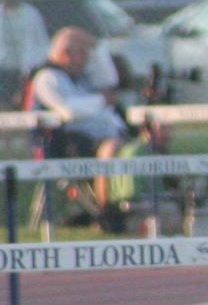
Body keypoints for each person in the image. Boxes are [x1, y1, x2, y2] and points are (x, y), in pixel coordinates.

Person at [28, 27, 134, 223]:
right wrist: (101, 100)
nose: (88, 59)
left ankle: (136, 205)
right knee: (111, 148)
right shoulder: (48, 78)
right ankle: (106, 211)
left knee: (137, 145)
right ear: (66, 54)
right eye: (84, 53)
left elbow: (110, 80)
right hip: (65, 144)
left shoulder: (81, 78)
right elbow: (68, 112)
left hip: (100, 137)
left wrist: (97, 46)